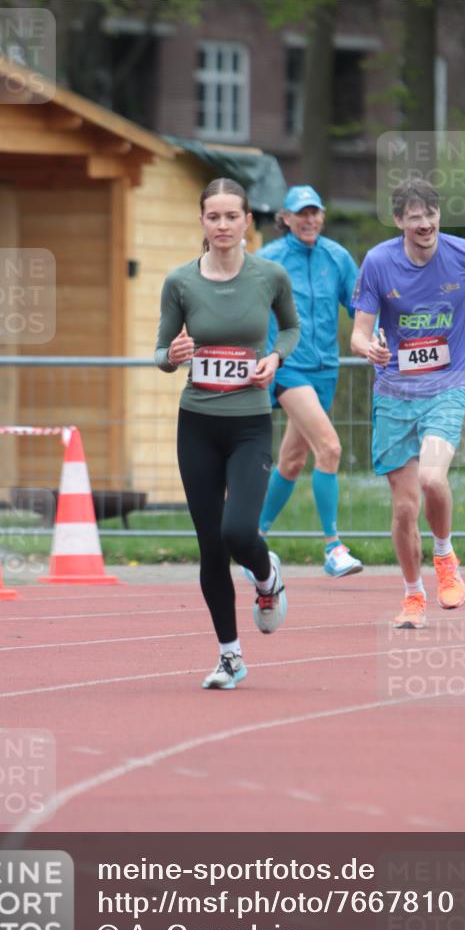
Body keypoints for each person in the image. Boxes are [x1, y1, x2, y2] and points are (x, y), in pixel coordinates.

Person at [154, 178, 300, 689]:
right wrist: (171, 356)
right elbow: (161, 352)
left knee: (238, 531)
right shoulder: (180, 282)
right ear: (202, 221)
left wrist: (275, 358)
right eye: (213, 217)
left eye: (231, 216)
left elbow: (290, 328)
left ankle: (267, 577)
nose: (222, 225)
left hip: (249, 424)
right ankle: (230, 656)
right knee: (211, 546)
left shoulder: (270, 276)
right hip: (197, 423)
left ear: (247, 222)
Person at [350, 177, 465, 628]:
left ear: (440, 214)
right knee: (404, 508)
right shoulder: (379, 262)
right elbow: (358, 333)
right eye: (414, 216)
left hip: (446, 386)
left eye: (431, 214)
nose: (425, 224)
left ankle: (444, 555)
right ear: (399, 220)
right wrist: (369, 349)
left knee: (433, 478)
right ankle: (413, 595)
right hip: (394, 394)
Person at [257, 185, 364, 578]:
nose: (309, 220)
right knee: (329, 448)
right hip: (289, 368)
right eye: (301, 213)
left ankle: (252, 538)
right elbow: (242, 306)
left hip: (326, 371)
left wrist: (376, 336)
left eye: (315, 212)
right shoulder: (269, 260)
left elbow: (361, 306)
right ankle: (333, 547)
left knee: (291, 461)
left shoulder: (337, 257)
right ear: (285, 219)